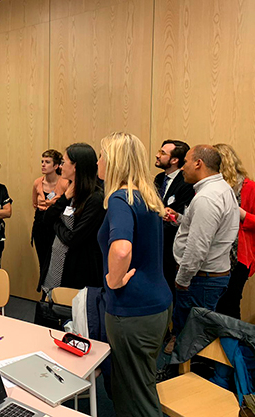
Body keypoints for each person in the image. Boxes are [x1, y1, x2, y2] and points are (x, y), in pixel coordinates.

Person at [97, 132, 172, 416]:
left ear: (114, 161)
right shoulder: (146, 198)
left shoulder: (120, 198)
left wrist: (113, 280)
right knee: (140, 385)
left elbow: (121, 250)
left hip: (132, 310)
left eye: (102, 156)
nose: (98, 162)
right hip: (156, 304)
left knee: (135, 398)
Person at [165, 145, 239, 354]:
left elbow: (198, 247)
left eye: (186, 162)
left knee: (191, 338)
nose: (182, 168)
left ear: (198, 163)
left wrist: (182, 279)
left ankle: (184, 371)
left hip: (200, 279)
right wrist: (179, 219)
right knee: (196, 335)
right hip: (208, 276)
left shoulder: (207, 197)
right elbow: (204, 229)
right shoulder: (220, 188)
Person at [39, 143, 105, 295]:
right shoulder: (70, 191)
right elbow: (47, 218)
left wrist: (56, 223)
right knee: (49, 303)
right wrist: (65, 198)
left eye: (64, 162)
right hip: (56, 261)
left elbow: (72, 238)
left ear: (76, 166)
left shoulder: (95, 199)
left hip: (77, 270)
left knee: (67, 306)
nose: (61, 166)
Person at [214, 143, 255, 319]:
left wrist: (242, 214)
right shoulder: (209, 187)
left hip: (238, 257)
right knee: (213, 305)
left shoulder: (249, 187)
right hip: (213, 255)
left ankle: (232, 338)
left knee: (230, 303)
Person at [154, 140, 195, 295]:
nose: (157, 155)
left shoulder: (186, 183)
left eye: (162, 153)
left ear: (174, 160)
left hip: (172, 249)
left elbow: (181, 219)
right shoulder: (159, 179)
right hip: (157, 246)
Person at [31, 149, 69, 289]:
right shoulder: (37, 183)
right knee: (43, 261)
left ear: (56, 166)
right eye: (42, 161)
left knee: (54, 261)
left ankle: (55, 292)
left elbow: (68, 206)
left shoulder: (64, 183)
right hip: (40, 225)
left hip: (56, 225)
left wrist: (50, 206)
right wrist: (47, 205)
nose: (43, 164)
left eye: (47, 162)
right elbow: (34, 203)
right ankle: (43, 293)